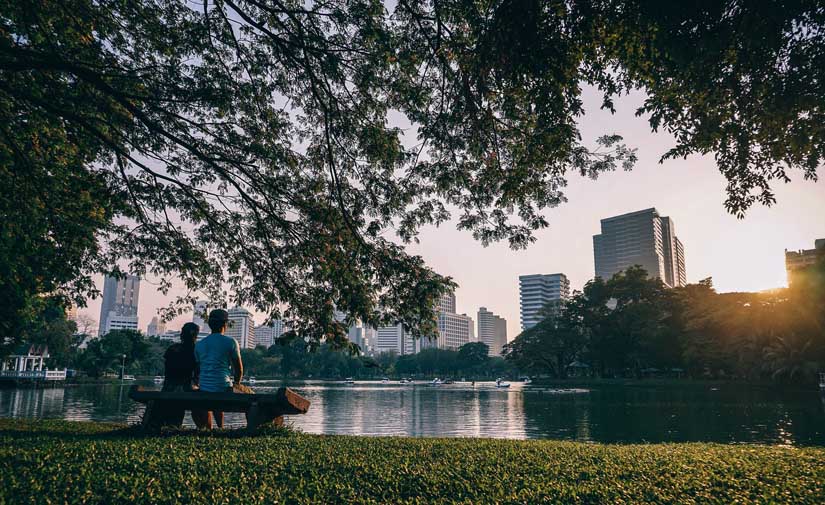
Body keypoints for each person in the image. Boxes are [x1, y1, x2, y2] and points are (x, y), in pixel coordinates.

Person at [194, 309, 249, 428]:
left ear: (209, 325)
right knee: (250, 395)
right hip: (223, 387)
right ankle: (221, 428)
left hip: (204, 388)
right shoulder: (231, 342)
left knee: (213, 394)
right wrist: (237, 383)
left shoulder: (199, 344)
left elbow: (198, 370)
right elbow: (239, 369)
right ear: (225, 324)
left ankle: (214, 429)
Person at [160, 322, 209, 428]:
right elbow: (198, 372)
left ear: (182, 335)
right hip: (188, 389)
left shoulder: (172, 349)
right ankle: (204, 428)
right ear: (196, 336)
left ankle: (172, 425)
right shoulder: (197, 351)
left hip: (169, 388)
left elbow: (167, 370)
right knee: (202, 401)